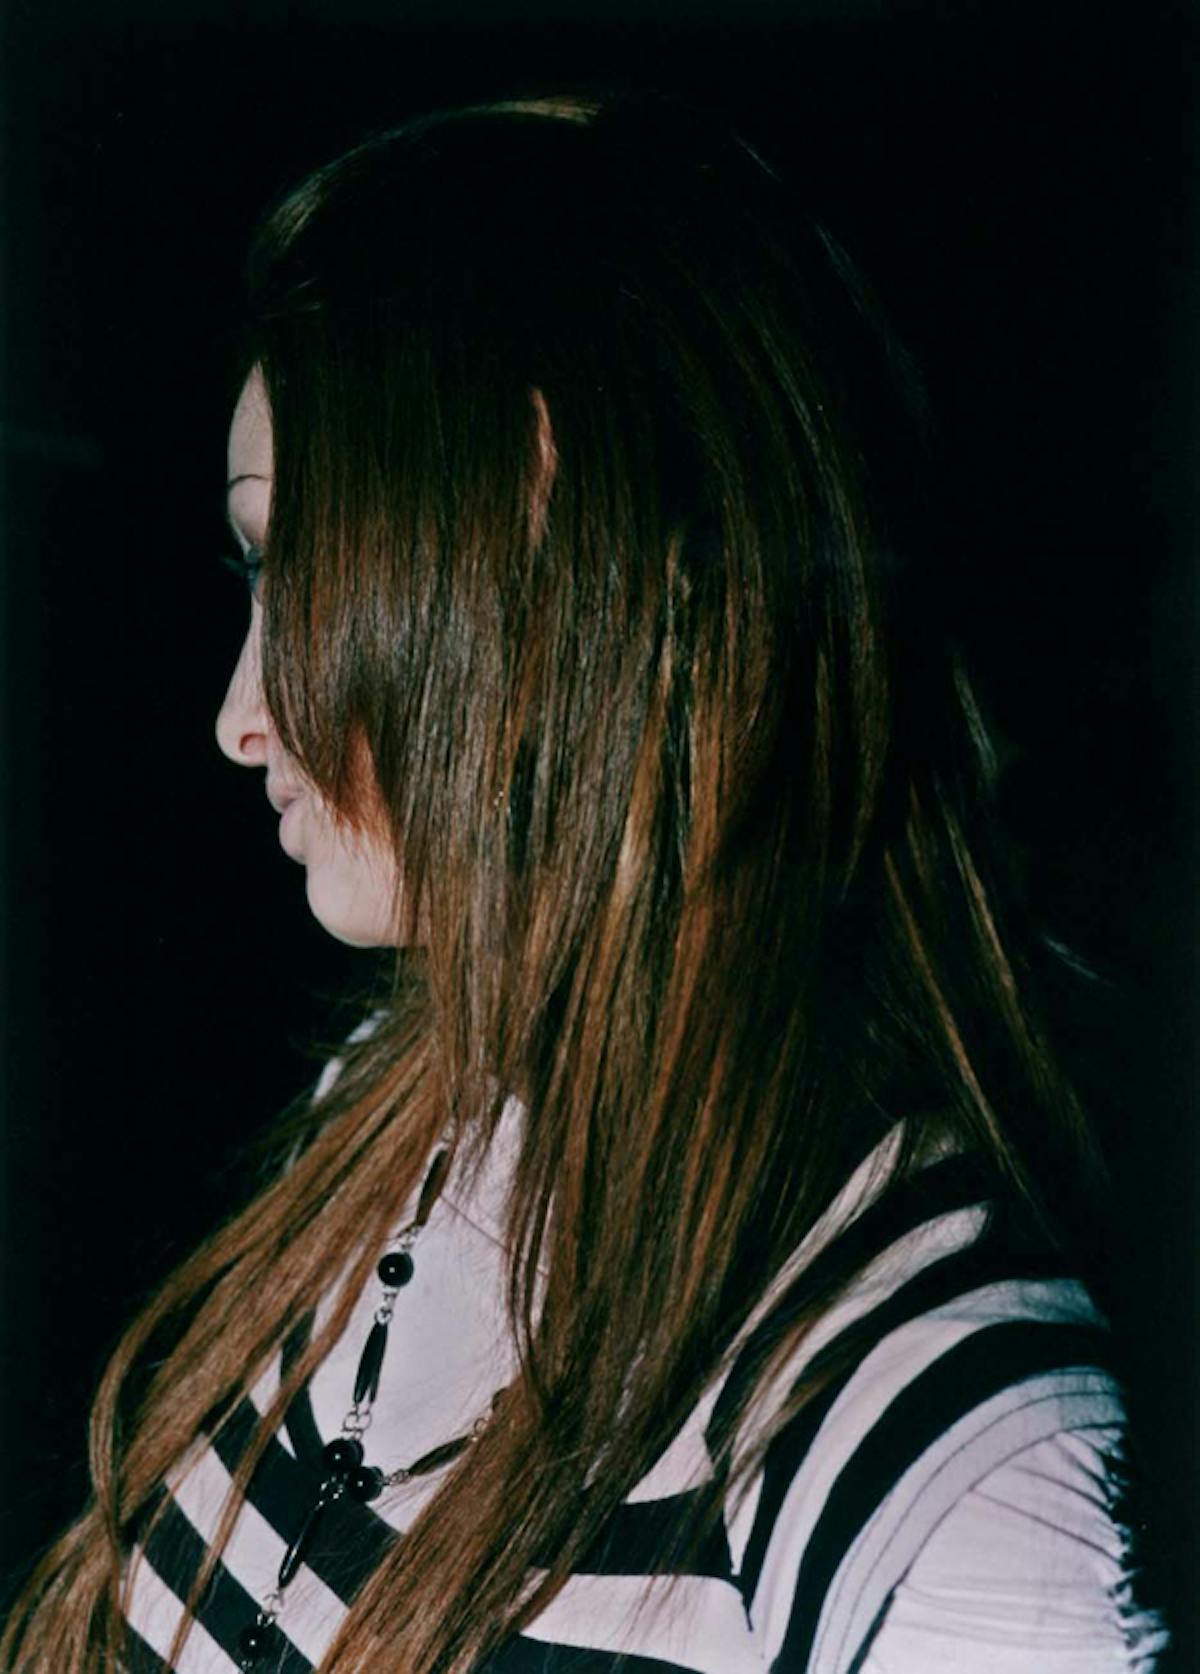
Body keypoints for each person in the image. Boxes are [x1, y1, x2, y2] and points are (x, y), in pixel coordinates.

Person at [2, 90, 1170, 1674]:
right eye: (255, 572)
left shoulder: (933, 1441)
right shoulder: (396, 1107)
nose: (239, 715)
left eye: (306, 567)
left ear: (563, 541)